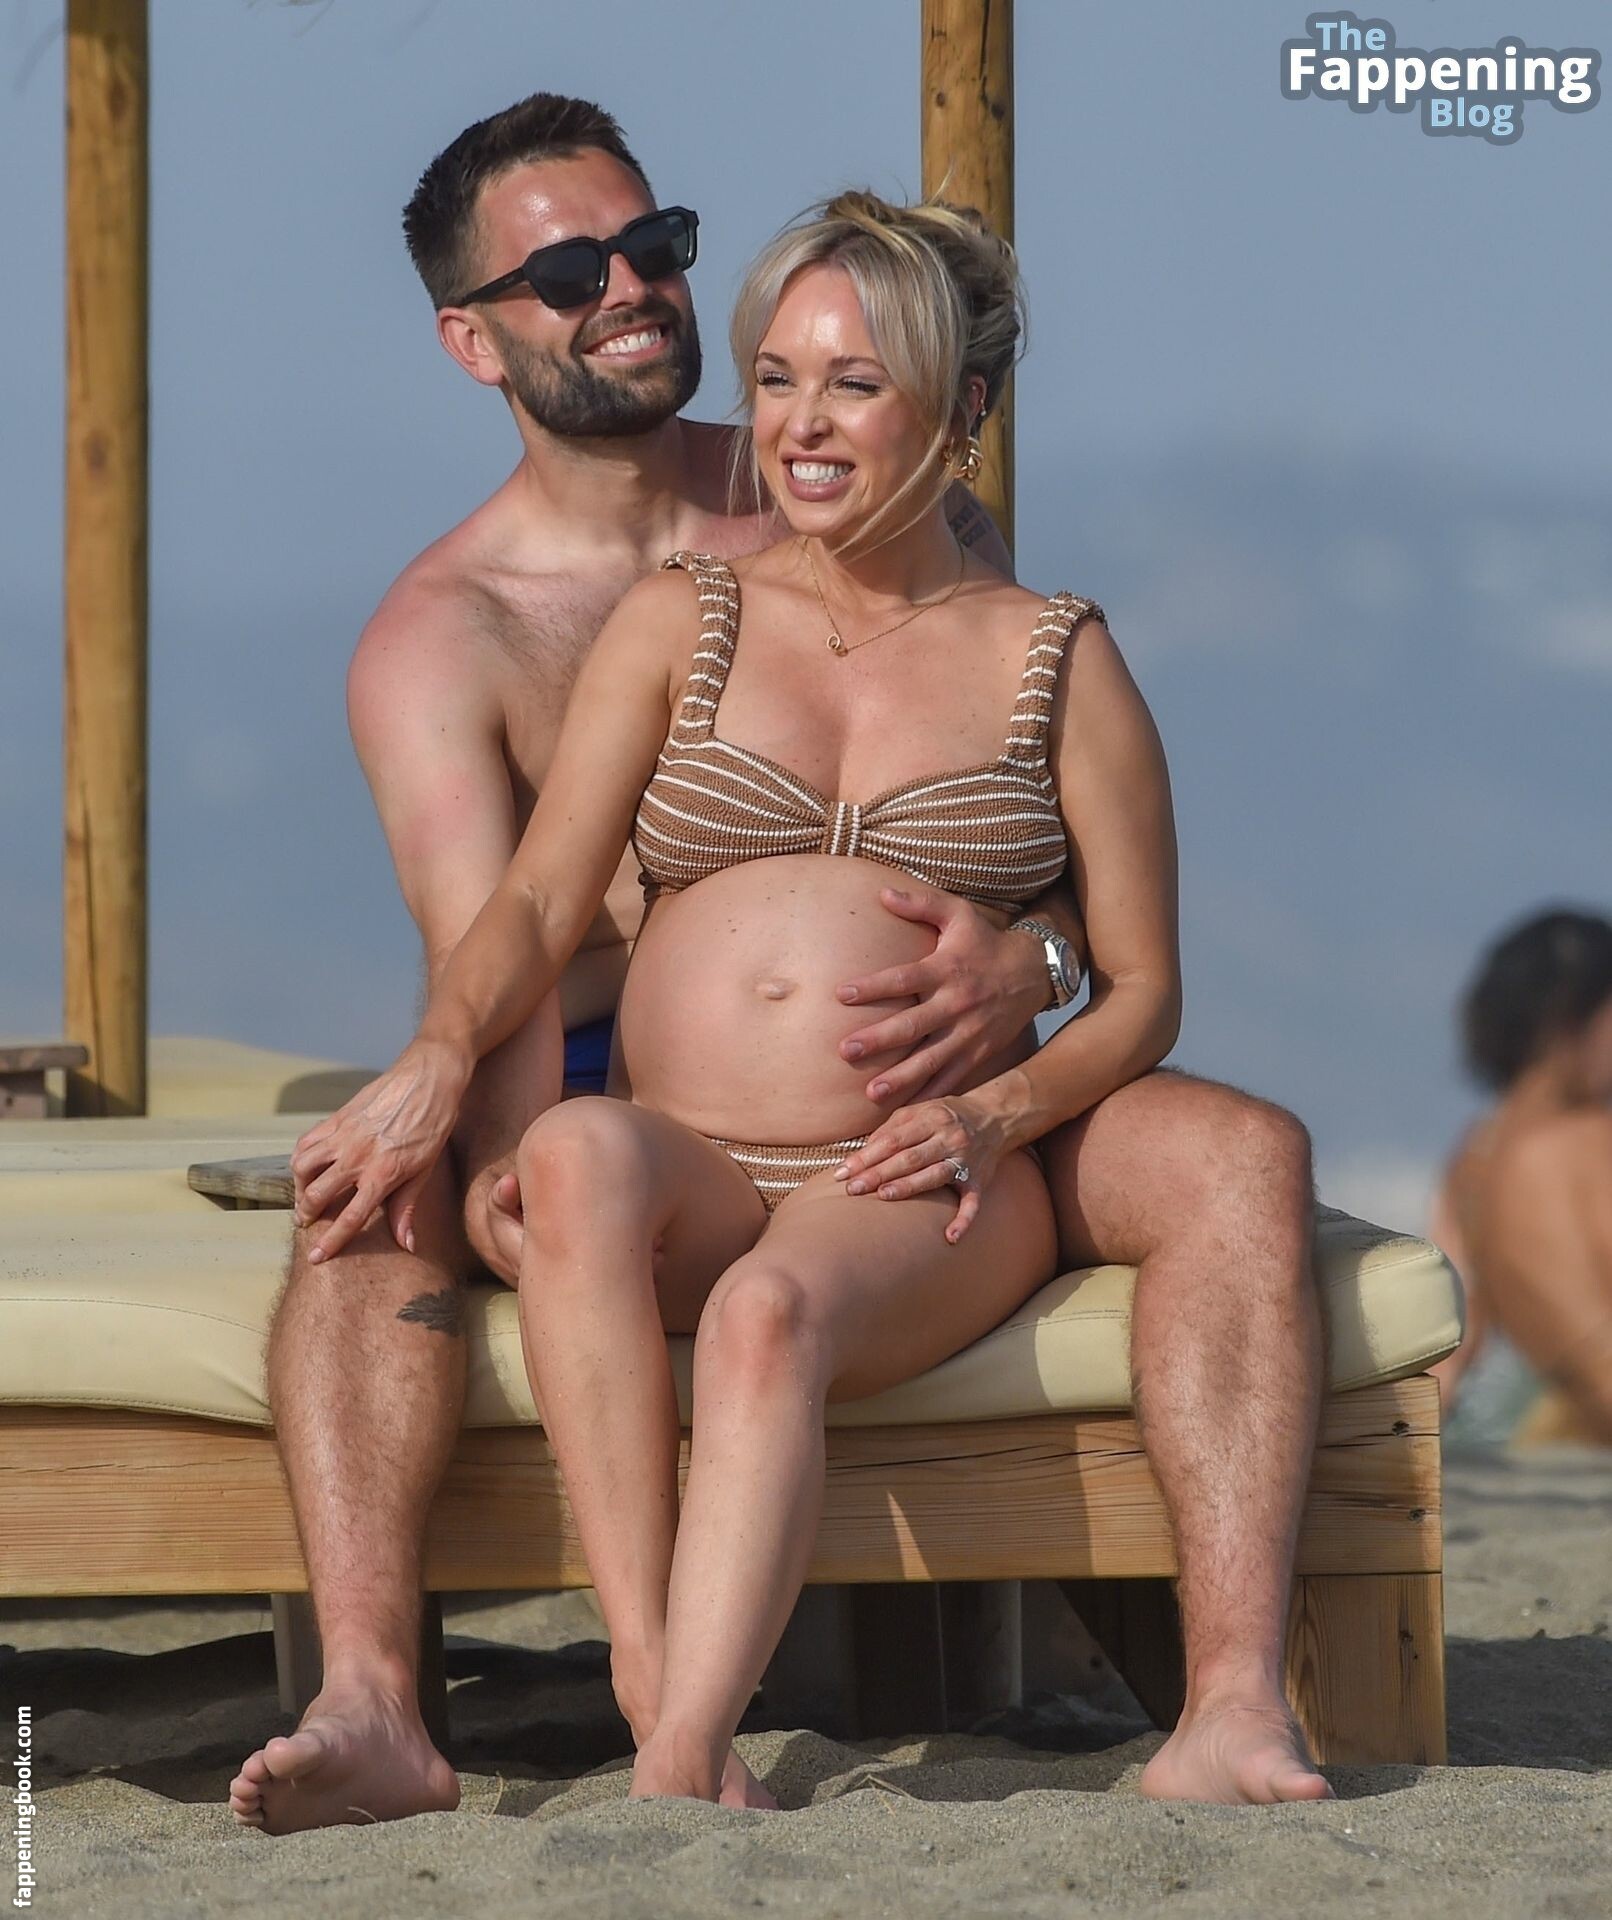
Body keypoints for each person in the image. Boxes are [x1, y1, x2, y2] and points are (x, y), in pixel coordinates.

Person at [231, 92, 1324, 1833]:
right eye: (569, 273)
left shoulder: (863, 489)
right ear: (474, 340)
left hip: (927, 1088)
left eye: (651, 245)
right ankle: (379, 1697)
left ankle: (1231, 1698)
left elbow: (1050, 860)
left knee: (1241, 1151)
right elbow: (510, 930)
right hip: (589, 1068)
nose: (626, 289)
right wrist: (484, 1130)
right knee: (370, 1205)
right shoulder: (455, 633)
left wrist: (1030, 969)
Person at [1433, 907, 1612, 1444]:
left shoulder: (1474, 1162)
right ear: (1571, 1023)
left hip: (1554, 1446)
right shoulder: (1575, 1147)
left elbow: (1447, 1352)